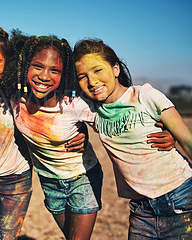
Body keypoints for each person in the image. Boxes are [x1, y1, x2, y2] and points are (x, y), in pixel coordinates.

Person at [0, 23, 87, 240]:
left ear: (7, 62)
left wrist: (81, 131)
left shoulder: (15, 90)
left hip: (17, 180)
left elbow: (54, 114)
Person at [73, 39, 192, 239]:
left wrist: (172, 136)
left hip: (180, 197)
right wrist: (81, 133)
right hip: (140, 210)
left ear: (116, 69)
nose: (92, 81)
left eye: (98, 70)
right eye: (82, 76)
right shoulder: (92, 112)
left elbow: (187, 142)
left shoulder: (145, 96)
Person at [0, 35, 103, 240]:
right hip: (49, 182)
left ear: (64, 75)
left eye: (54, 70)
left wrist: (164, 128)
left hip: (83, 178)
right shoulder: (14, 99)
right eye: (38, 66)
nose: (44, 76)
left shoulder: (74, 105)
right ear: (23, 66)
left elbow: (115, 124)